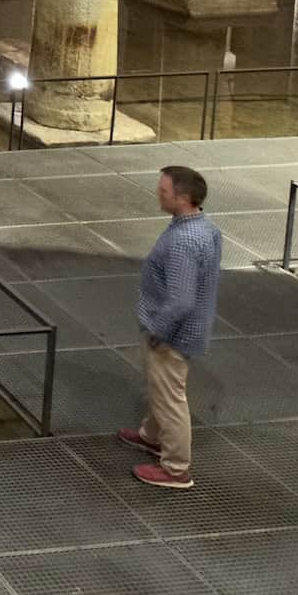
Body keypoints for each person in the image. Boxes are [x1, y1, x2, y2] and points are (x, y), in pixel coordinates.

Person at [119, 165, 222, 489]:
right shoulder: (203, 229)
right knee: (161, 388)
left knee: (170, 397)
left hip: (172, 335)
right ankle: (152, 435)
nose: (158, 194)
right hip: (182, 330)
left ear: (184, 198)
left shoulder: (183, 242)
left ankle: (176, 468)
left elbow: (180, 301)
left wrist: (158, 331)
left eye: (164, 191)